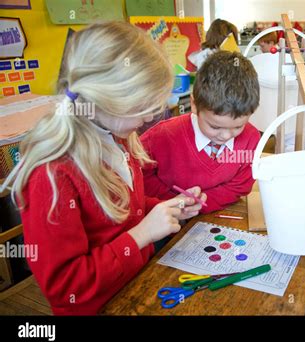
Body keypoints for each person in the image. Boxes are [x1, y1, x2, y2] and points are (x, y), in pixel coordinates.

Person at [4, 22, 206, 315]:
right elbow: (66, 287)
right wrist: (142, 234)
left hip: (139, 286)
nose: (151, 117)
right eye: (142, 107)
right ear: (103, 100)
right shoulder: (52, 174)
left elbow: (122, 211)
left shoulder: (117, 136)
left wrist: (166, 207)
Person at [141, 51, 260, 213]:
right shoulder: (161, 136)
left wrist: (200, 204)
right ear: (194, 105)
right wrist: (173, 202)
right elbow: (141, 176)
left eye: (238, 127)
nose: (225, 136)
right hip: (164, 217)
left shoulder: (251, 139)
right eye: (215, 127)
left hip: (214, 215)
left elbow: (240, 185)